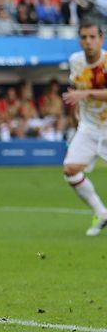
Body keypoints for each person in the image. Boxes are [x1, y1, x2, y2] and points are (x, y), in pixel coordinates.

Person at [62, 19, 107, 236]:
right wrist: (75, 111)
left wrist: (86, 94)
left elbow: (85, 92)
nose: (88, 42)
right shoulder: (75, 61)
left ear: (101, 39)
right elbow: (77, 88)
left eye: (92, 37)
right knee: (70, 170)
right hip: (89, 128)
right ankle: (101, 212)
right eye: (83, 37)